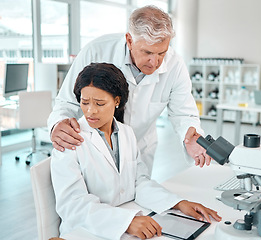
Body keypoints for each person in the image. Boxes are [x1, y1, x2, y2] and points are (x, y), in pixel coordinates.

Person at [50, 63, 221, 240]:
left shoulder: (126, 133)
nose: (90, 111)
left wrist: (178, 203)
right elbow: (72, 204)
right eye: (84, 103)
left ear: (117, 101)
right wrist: (125, 222)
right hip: (86, 230)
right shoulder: (68, 140)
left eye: (100, 103)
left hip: (125, 215)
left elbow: (139, 182)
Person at [48, 5, 211, 175]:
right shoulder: (95, 51)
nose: (154, 62)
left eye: (161, 53)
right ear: (129, 40)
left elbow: (184, 113)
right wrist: (57, 125)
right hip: (93, 147)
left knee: (138, 195)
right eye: (147, 52)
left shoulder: (175, 65)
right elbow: (66, 102)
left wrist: (191, 135)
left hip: (140, 148)